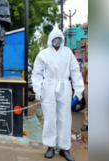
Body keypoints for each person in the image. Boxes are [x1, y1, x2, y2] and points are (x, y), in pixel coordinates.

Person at [32, 28, 84, 161]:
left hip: (64, 87)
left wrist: (78, 89)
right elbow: (37, 73)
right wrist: (37, 89)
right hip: (48, 87)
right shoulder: (43, 54)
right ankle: (50, 146)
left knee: (65, 118)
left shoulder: (68, 53)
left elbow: (75, 71)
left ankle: (64, 148)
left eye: (59, 39)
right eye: (54, 39)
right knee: (50, 117)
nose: (57, 42)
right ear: (50, 40)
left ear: (62, 40)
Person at [81, 60, 88, 131]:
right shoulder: (86, 65)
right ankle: (87, 123)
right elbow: (83, 76)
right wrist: (82, 88)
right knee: (88, 106)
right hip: (88, 86)